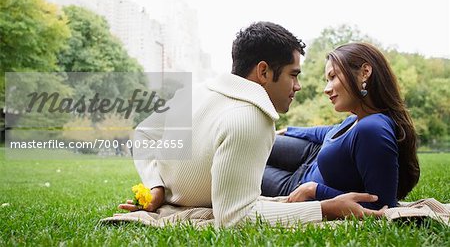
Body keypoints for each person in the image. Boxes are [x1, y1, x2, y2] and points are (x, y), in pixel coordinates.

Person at [119, 23, 385, 227]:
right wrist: (327, 208)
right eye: (293, 75)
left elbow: (142, 133)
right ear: (264, 72)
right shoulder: (249, 117)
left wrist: (156, 187)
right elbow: (234, 217)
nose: (298, 86)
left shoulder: (193, 91)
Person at [262, 42, 420, 210]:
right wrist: (289, 131)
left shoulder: (372, 129)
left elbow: (381, 205)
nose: (326, 89)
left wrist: (314, 190)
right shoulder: (358, 119)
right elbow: (328, 132)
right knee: (259, 139)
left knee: (238, 162)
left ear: (365, 73)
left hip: (296, 185)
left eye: (333, 77)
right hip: (310, 155)